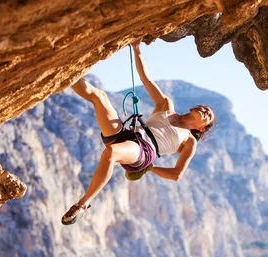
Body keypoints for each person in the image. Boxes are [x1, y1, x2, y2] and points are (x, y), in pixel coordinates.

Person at [62, 40, 216, 225]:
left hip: (144, 151)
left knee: (111, 152)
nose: (206, 112)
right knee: (99, 97)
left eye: (208, 116)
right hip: (128, 135)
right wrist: (136, 49)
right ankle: (61, 71)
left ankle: (83, 204)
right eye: (206, 109)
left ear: (201, 128)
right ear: (195, 107)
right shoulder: (166, 106)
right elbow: (145, 79)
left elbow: (176, 174)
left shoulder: (189, 141)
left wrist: (149, 168)